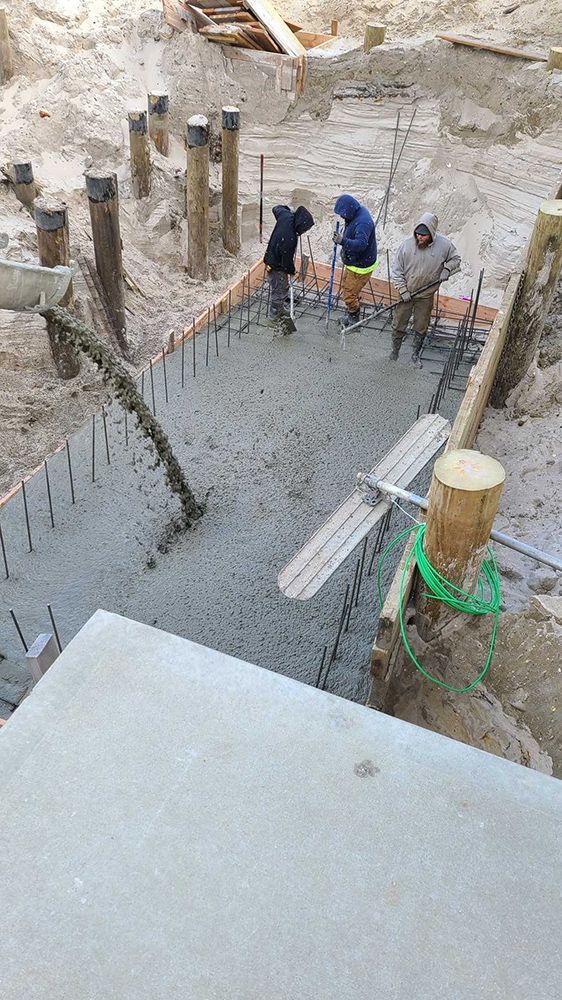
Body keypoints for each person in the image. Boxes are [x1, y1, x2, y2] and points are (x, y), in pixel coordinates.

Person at [390, 212, 461, 364]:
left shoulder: (444, 245)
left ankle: (415, 354)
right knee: (399, 323)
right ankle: (394, 352)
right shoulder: (406, 246)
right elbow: (396, 271)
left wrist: (447, 269)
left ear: (432, 234)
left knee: (421, 325)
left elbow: (456, 259)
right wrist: (403, 290)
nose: (419, 238)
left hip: (426, 295)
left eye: (423, 235)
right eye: (417, 234)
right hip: (406, 294)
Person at [263, 205, 314, 331]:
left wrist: (288, 209)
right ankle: (274, 316)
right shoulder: (290, 238)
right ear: (301, 225)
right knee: (279, 291)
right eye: (305, 228)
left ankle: (279, 309)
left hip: (270, 257)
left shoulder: (286, 216)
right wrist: (292, 271)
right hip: (276, 266)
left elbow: (276, 208)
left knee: (281, 287)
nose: (304, 231)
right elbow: (286, 262)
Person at [332, 194, 377, 328]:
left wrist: (343, 241)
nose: (342, 217)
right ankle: (352, 309)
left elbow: (361, 244)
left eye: (343, 214)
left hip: (360, 266)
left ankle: (354, 317)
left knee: (349, 294)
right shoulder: (357, 213)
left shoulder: (362, 223)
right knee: (347, 287)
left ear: (350, 211)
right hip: (354, 263)